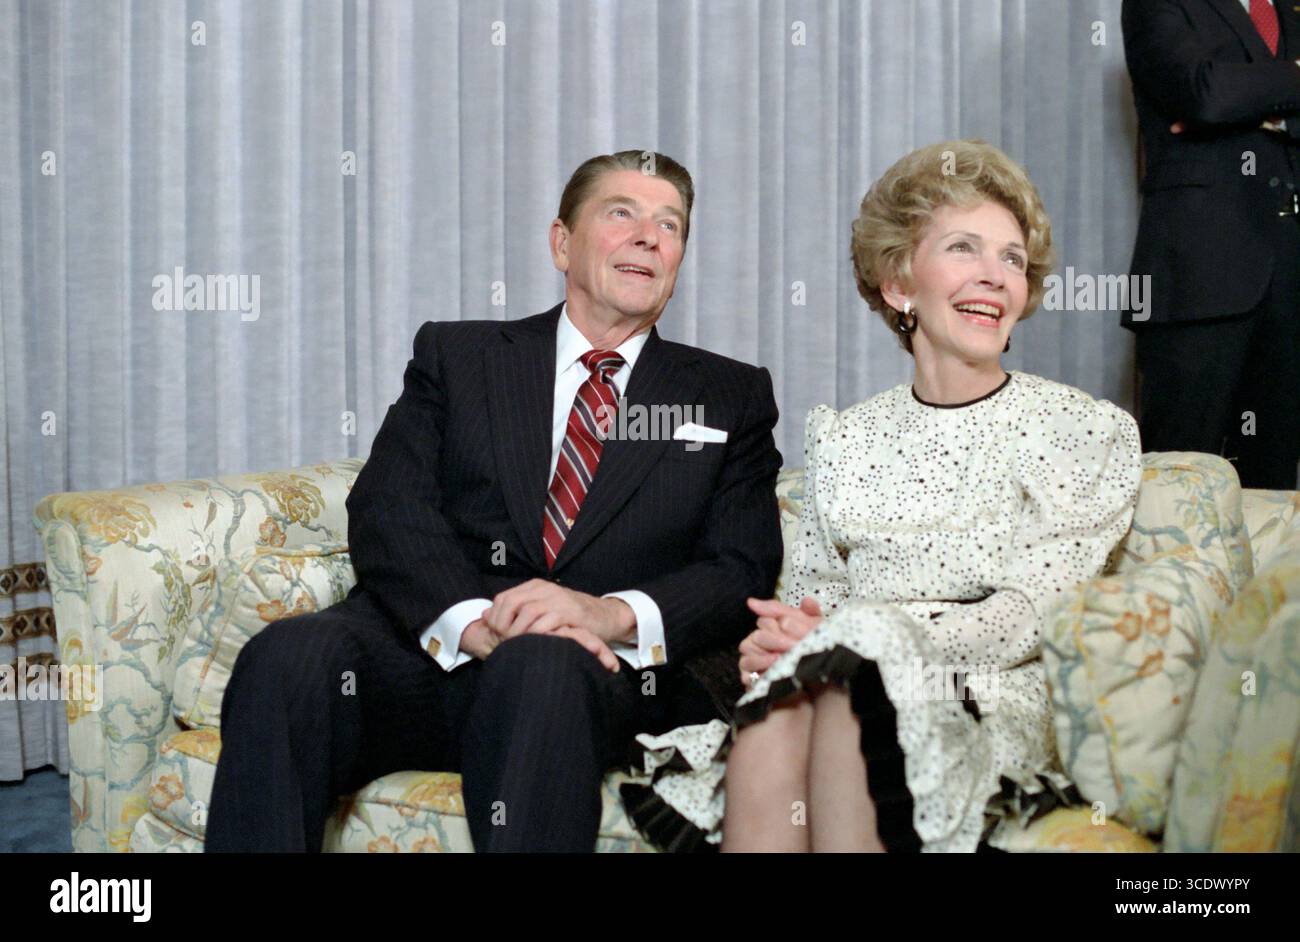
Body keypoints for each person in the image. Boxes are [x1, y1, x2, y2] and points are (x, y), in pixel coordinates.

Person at [205, 150, 784, 853]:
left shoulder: (730, 393)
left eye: (670, 225)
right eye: (621, 213)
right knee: (289, 654)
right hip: (432, 654)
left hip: (589, 675)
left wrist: (603, 614)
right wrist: (475, 624)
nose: (648, 236)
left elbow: (739, 566)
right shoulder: (460, 356)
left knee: (537, 665)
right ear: (561, 242)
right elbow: (390, 508)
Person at [621, 140, 1143, 853]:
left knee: (832, 688)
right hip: (836, 683)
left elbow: (1029, 617)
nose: (995, 276)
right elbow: (810, 605)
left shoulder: (1081, 429)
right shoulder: (846, 439)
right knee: (783, 707)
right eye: (965, 248)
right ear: (899, 282)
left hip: (982, 698)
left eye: (1013, 259)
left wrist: (849, 644)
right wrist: (778, 648)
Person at [1121, 0, 1300, 489]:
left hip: (1289, 275)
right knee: (1177, 481)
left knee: (1276, 488)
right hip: (1199, 275)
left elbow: (1221, 100)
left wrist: (1259, 108)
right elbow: (1204, 94)